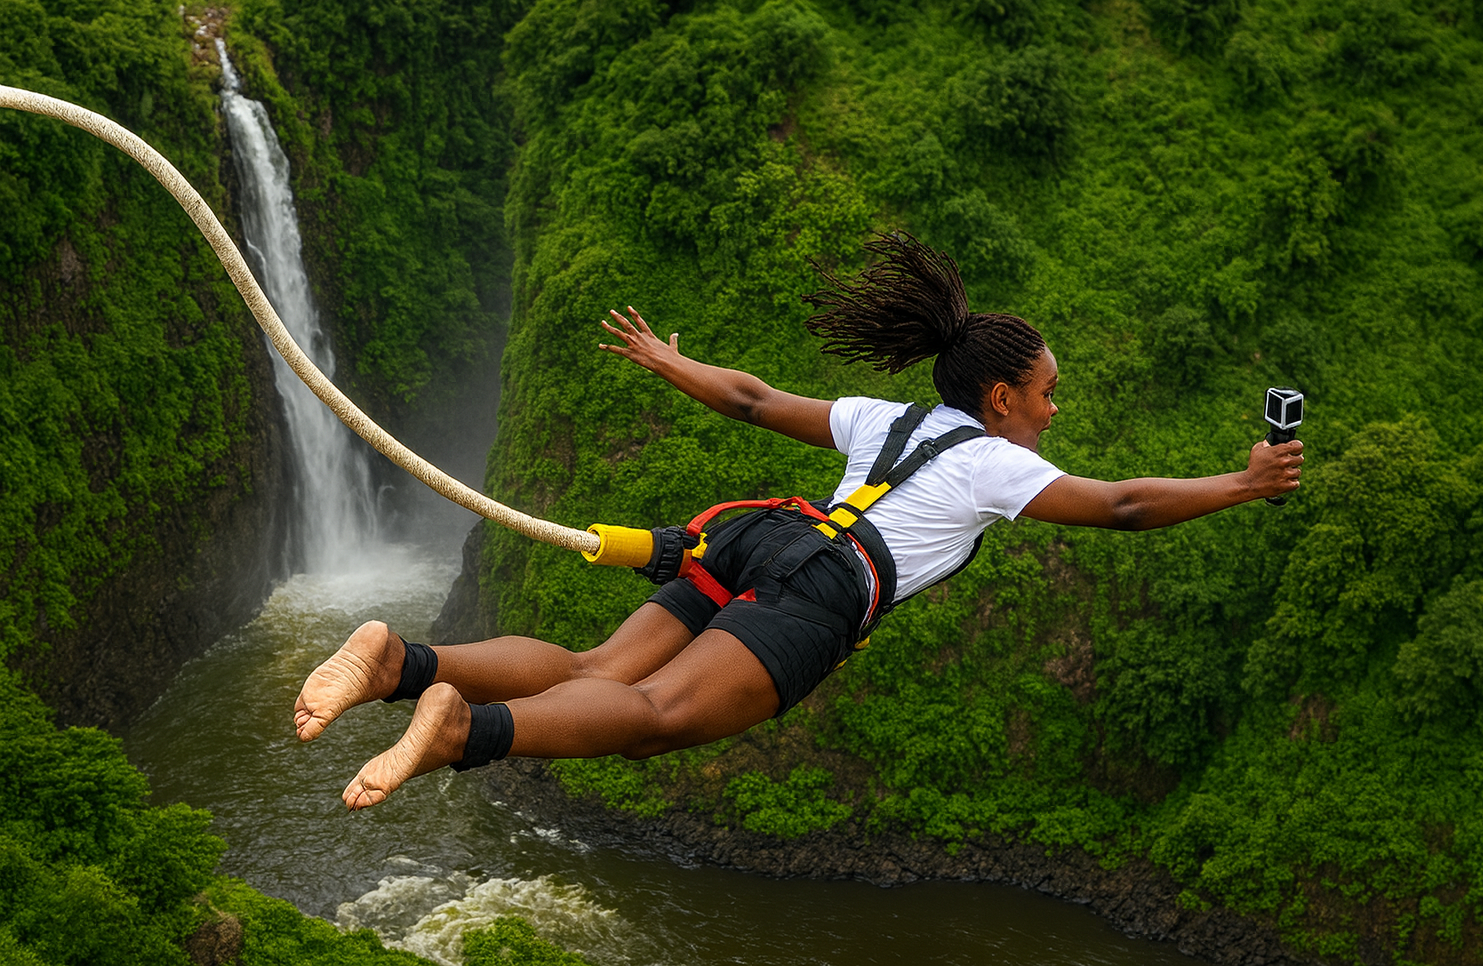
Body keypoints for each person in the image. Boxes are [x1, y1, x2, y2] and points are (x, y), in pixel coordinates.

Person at [295, 233, 1304, 810]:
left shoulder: (886, 417)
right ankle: (465, 729)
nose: (1053, 411)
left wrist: (671, 361)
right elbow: (1122, 505)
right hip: (823, 585)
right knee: (652, 722)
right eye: (1046, 393)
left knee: (598, 668)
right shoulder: (997, 461)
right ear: (999, 397)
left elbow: (751, 398)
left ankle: (405, 664)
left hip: (761, 533)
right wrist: (1243, 482)